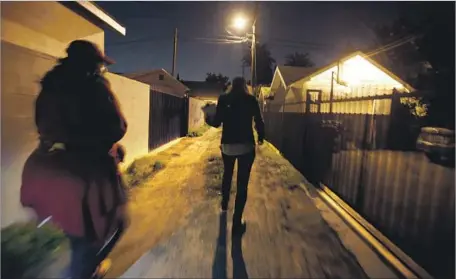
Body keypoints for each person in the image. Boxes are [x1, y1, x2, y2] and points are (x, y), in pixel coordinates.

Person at [20, 40, 128, 279]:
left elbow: (41, 124)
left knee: (76, 233)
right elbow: (118, 127)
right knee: (118, 222)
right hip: (88, 172)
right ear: (92, 65)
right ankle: (85, 271)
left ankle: (83, 268)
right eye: (100, 65)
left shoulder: (49, 86)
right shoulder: (95, 87)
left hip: (49, 168)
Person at [207, 77, 265, 234]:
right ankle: (237, 221)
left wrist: (207, 117)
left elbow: (217, 122)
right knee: (242, 183)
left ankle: (224, 204)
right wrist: (261, 136)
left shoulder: (224, 98)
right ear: (245, 86)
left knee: (227, 174)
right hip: (246, 146)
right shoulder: (251, 100)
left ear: (232, 86)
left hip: (227, 146)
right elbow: (259, 121)